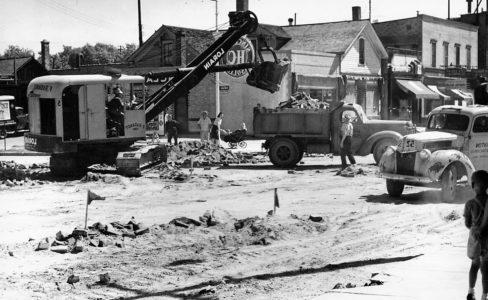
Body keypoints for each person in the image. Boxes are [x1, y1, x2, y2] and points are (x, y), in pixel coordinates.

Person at [465, 170, 488, 300]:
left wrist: (475, 228)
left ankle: (470, 291)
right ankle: (484, 296)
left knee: (474, 265)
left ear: (474, 185)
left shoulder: (470, 204)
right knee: (486, 268)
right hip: (487, 238)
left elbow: (468, 223)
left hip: (475, 238)